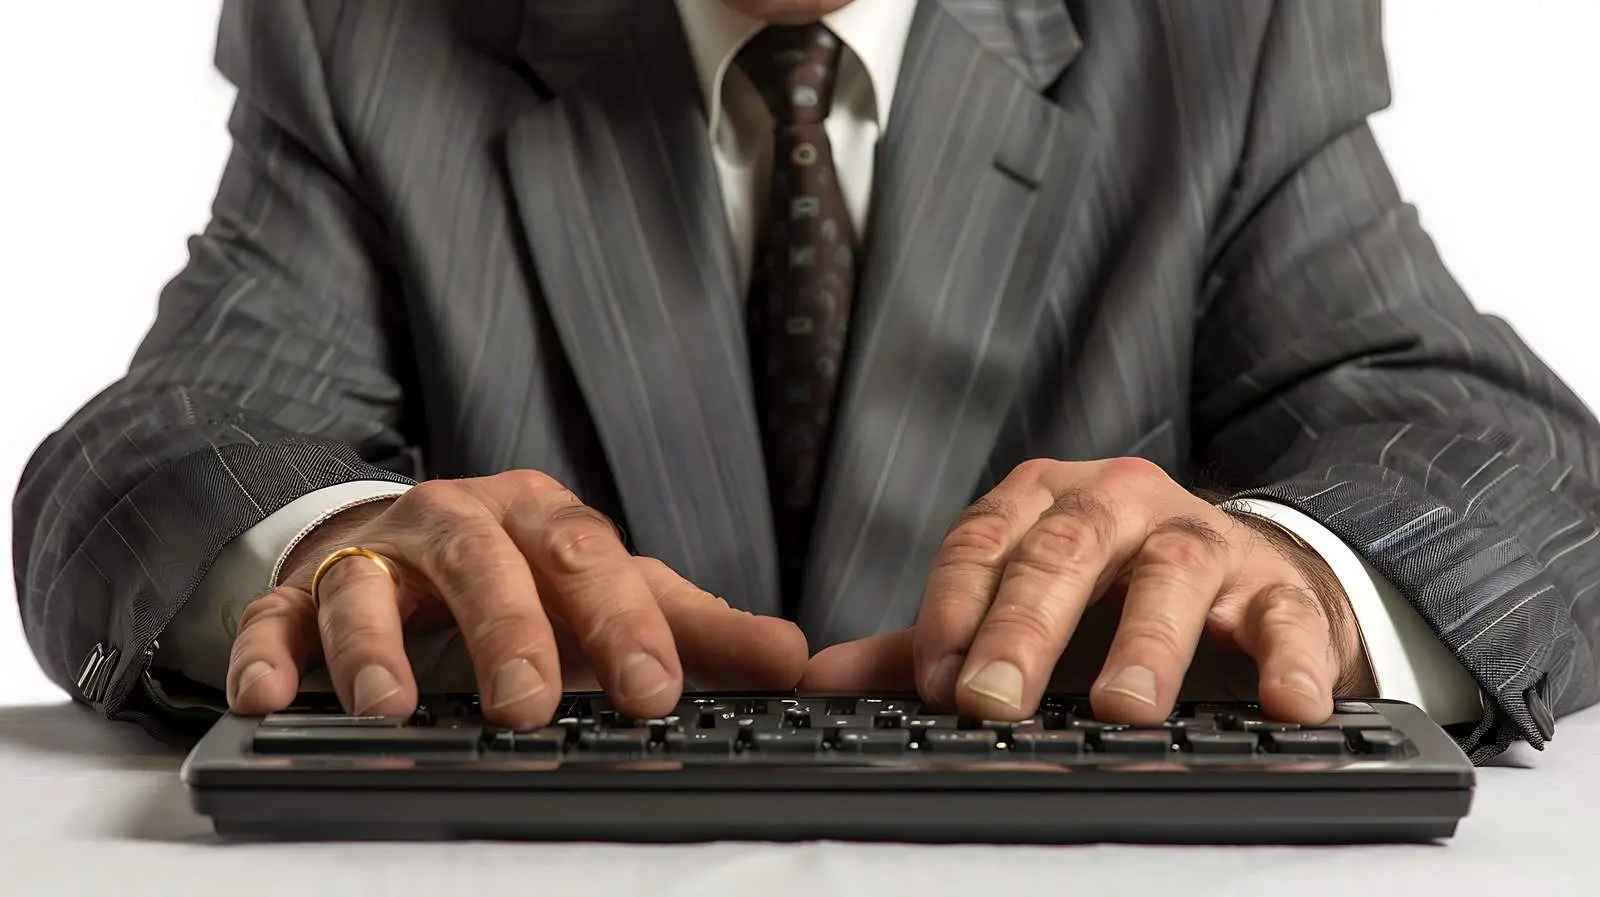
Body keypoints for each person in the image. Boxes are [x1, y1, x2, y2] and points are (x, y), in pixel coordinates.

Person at [12, 0, 1599, 764]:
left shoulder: (1218, 29)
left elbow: (1505, 457)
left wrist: (1305, 578)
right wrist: (325, 552)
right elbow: (150, 452)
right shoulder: (369, 28)